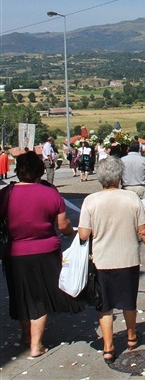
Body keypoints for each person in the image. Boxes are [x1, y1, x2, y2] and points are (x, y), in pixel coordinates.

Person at [0, 152, 83, 358]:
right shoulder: (50, 193)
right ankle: (36, 345)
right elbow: (63, 226)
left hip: (15, 251)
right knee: (40, 297)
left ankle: (26, 335)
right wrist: (73, 231)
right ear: (39, 170)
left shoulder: (5, 194)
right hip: (45, 251)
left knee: (21, 295)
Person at [78, 156, 145, 365]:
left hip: (103, 260)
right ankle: (131, 336)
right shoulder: (131, 198)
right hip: (128, 258)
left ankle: (108, 347)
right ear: (119, 176)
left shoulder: (91, 201)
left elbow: (84, 234)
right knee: (128, 300)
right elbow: (144, 230)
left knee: (105, 305)